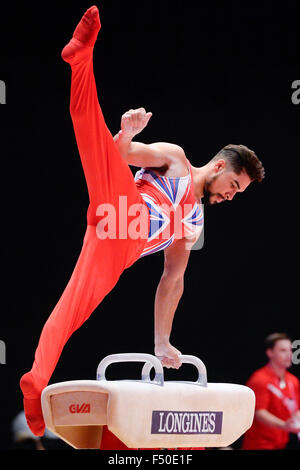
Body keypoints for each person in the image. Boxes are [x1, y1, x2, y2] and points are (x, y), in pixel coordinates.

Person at [20, 5, 265, 440]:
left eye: (237, 193)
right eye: (234, 183)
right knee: (91, 135)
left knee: (69, 312)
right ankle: (81, 59)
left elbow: (172, 279)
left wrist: (161, 343)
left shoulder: (194, 221)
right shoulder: (174, 159)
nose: (231, 194)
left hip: (117, 251)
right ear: (222, 163)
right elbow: (114, 157)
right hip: (122, 206)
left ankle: (35, 385)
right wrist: (126, 135)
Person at [242, 333, 300, 450]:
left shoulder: (293, 381)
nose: (289, 354)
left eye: (290, 350)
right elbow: (258, 413)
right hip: (259, 444)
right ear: (270, 353)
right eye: (283, 350)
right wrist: (284, 425)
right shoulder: (259, 379)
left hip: (281, 444)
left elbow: (295, 410)